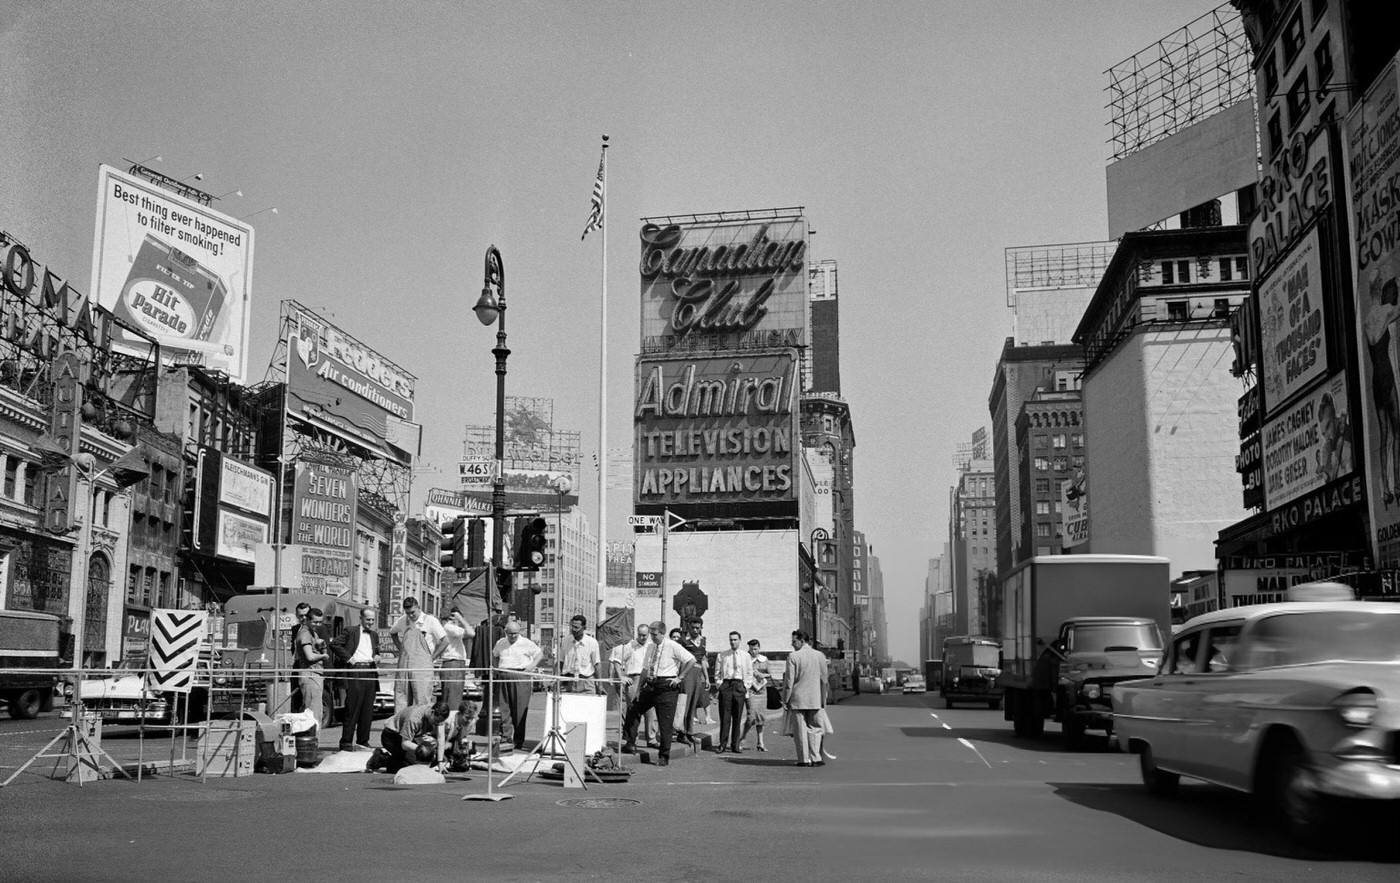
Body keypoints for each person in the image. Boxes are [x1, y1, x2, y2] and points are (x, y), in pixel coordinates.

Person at [621, 620, 694, 767]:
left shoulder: (673, 646)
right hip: (651, 685)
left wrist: (679, 677)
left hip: (667, 686)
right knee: (634, 709)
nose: (652, 637)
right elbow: (645, 670)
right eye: (651, 635)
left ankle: (663, 756)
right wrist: (639, 690)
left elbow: (691, 660)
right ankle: (630, 742)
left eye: (654, 635)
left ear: (662, 633)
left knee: (665, 723)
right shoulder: (650, 647)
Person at [329, 608, 380, 752]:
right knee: (352, 708)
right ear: (361, 618)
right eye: (368, 619)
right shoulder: (350, 631)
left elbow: (375, 652)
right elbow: (334, 644)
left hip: (369, 671)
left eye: (372, 620)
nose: (370, 622)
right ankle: (346, 742)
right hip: (355, 671)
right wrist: (349, 658)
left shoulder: (374, 635)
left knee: (367, 709)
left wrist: (377, 657)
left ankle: (363, 741)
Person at [491, 621, 543, 751]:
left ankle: (518, 739)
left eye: (515, 633)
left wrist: (530, 668)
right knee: (504, 707)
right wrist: (496, 668)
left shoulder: (526, 643)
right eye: (510, 634)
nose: (513, 636)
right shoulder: (500, 643)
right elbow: (495, 655)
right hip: (504, 675)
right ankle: (506, 736)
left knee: (520, 709)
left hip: (520, 675)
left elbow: (539, 654)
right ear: (506, 632)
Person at [389, 596, 446, 712]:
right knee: (401, 696)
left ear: (419, 608)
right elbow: (392, 632)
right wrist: (401, 649)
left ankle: (422, 728)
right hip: (405, 664)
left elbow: (445, 641)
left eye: (413, 612)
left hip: (423, 665)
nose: (410, 616)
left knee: (422, 698)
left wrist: (432, 657)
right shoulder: (403, 620)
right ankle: (401, 726)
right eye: (407, 613)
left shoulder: (430, 621)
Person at [783, 630, 829, 767]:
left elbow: (789, 681)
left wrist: (786, 699)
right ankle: (816, 758)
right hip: (815, 698)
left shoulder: (793, 657)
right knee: (815, 728)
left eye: (794, 641)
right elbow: (824, 679)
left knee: (800, 730)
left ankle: (803, 759)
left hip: (798, 698)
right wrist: (823, 699)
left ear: (802, 641)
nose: (792, 644)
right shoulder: (820, 656)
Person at [369, 699, 452, 774]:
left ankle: (400, 759)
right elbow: (405, 744)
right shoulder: (414, 718)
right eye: (436, 721)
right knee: (407, 767)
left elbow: (440, 738)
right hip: (391, 736)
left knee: (432, 758)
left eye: (440, 722)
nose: (437, 724)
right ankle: (381, 758)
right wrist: (424, 750)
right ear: (432, 712)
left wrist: (440, 761)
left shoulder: (439, 715)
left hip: (408, 738)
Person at [609, 623, 657, 747]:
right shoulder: (630, 646)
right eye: (640, 635)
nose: (643, 638)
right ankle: (631, 740)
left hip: (647, 679)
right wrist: (621, 676)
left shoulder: (652, 647)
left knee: (649, 711)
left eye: (645, 635)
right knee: (633, 710)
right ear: (637, 633)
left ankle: (651, 739)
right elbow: (616, 661)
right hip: (634, 678)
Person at [713, 630, 753, 754]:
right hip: (726, 685)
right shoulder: (722, 655)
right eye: (731, 640)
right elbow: (717, 672)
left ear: (739, 641)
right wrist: (720, 685)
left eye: (735, 640)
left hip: (739, 685)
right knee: (725, 717)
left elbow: (749, 672)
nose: (733, 642)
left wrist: (746, 686)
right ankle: (722, 744)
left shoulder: (745, 655)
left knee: (737, 717)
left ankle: (735, 744)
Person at [293, 607, 329, 729]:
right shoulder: (305, 633)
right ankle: (311, 744)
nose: (317, 625)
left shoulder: (314, 633)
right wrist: (323, 656)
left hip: (316, 674)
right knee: (312, 714)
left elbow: (319, 651)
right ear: (307, 620)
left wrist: (322, 646)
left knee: (317, 712)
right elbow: (310, 656)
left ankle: (314, 743)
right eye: (315, 622)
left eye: (320, 622)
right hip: (310, 674)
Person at [677, 616, 709, 744]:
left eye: (698, 628)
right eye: (693, 627)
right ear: (688, 627)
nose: (695, 630)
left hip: (698, 673)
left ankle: (690, 731)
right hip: (687, 672)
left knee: (694, 703)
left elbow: (703, 661)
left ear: (701, 628)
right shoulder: (682, 641)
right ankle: (681, 732)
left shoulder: (703, 641)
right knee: (685, 702)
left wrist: (706, 678)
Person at [434, 609, 474, 708]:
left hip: (453, 663)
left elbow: (466, 634)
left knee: (451, 695)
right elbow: (471, 633)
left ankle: (449, 719)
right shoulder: (449, 627)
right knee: (453, 698)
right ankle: (451, 719)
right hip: (454, 663)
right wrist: (460, 618)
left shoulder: (449, 629)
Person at [741, 638, 771, 751]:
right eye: (751, 649)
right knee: (751, 716)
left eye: (756, 649)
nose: (754, 651)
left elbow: (770, 673)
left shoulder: (764, 659)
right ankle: (743, 737)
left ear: (759, 648)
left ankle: (760, 742)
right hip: (751, 690)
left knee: (761, 717)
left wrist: (764, 675)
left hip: (762, 691)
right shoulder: (745, 659)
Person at [561, 614, 601, 694]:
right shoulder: (565, 641)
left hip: (587, 682)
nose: (573, 630)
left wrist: (600, 684)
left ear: (584, 628)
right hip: (570, 682)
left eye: (576, 628)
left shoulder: (592, 642)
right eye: (572, 627)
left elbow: (597, 664)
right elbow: (560, 662)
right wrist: (557, 680)